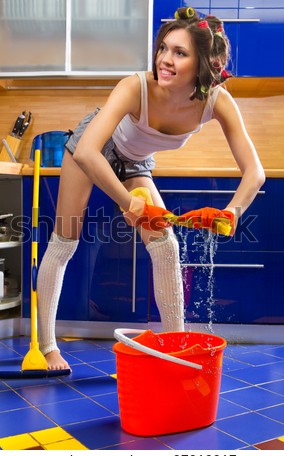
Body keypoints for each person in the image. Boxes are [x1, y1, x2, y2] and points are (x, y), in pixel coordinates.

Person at [37, 6, 265, 370]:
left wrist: (231, 212)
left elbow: (255, 172)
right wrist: (129, 202)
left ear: (204, 63)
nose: (165, 59)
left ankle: (174, 348)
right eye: (163, 48)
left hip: (135, 164)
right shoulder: (135, 87)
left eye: (180, 52)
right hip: (93, 148)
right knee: (65, 242)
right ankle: (48, 347)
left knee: (165, 246)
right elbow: (86, 152)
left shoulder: (217, 102)